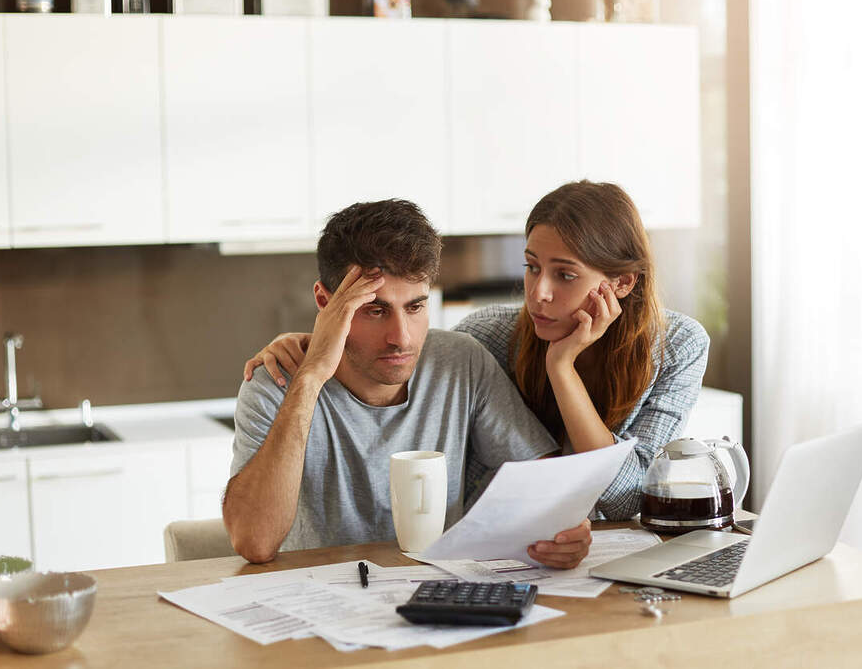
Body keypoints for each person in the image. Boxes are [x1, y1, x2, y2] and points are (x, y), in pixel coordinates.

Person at [244, 181, 710, 521]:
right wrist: (314, 346)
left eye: (564, 275)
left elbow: (624, 498)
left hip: (591, 543)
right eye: (530, 268)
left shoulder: (677, 347)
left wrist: (561, 368)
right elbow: (401, 353)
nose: (539, 293)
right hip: (504, 546)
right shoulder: (486, 336)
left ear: (622, 283)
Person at [223, 199, 593, 567]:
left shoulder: (461, 362)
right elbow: (255, 543)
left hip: (437, 597)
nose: (401, 337)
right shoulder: (275, 380)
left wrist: (564, 532)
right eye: (375, 310)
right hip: (317, 602)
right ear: (325, 301)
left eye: (415, 307)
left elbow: (547, 487)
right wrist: (311, 377)